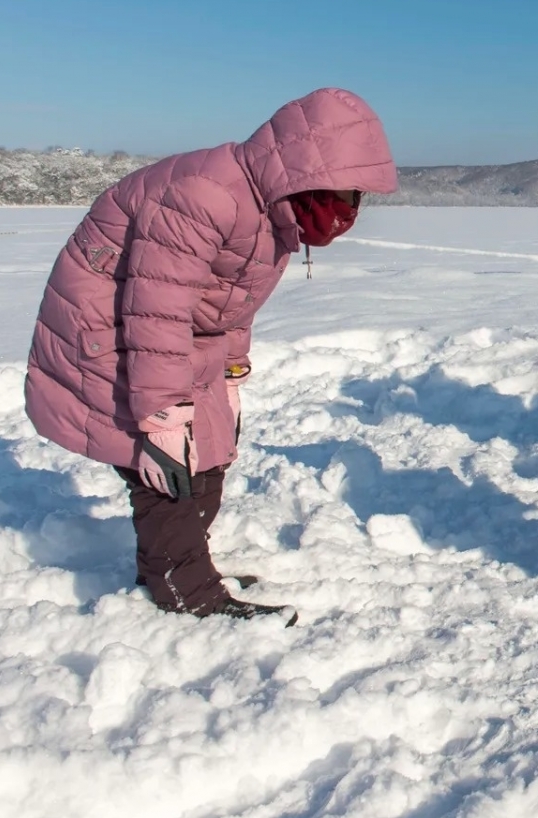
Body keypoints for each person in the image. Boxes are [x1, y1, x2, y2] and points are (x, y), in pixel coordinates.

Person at [24, 88, 399, 626]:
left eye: (358, 195)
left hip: (175, 339)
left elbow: (231, 301)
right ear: (305, 171)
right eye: (344, 192)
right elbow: (157, 307)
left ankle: (177, 567)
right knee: (167, 467)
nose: (350, 209)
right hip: (107, 334)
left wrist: (230, 372)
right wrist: (161, 413)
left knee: (213, 452)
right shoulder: (205, 196)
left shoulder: (273, 209)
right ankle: (186, 595)